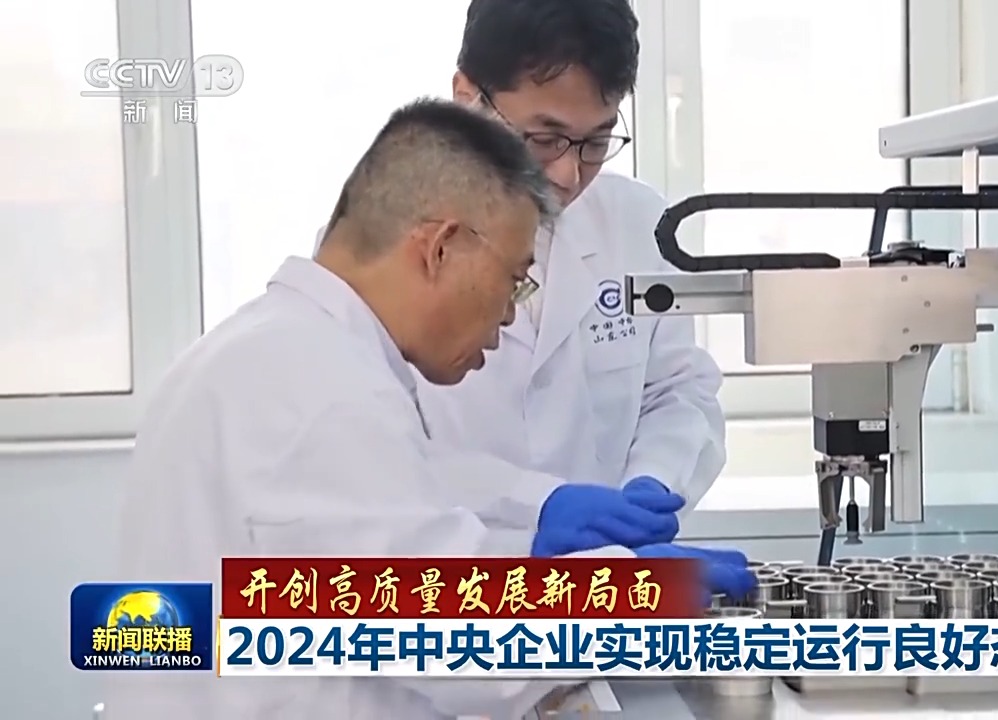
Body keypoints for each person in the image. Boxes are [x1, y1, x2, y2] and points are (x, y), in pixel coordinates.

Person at [107, 99, 753, 720]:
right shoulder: (325, 390)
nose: (510, 314)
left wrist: (539, 554)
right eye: (515, 279)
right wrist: (630, 589)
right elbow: (457, 645)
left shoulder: (272, 348)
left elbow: (387, 568)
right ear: (440, 247)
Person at [313, 0, 726, 530]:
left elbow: (678, 391)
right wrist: (538, 504)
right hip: (454, 565)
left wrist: (654, 482)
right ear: (467, 100)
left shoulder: (637, 224)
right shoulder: (380, 248)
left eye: (597, 141)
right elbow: (372, 447)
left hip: (606, 565)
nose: (568, 174)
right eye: (544, 139)